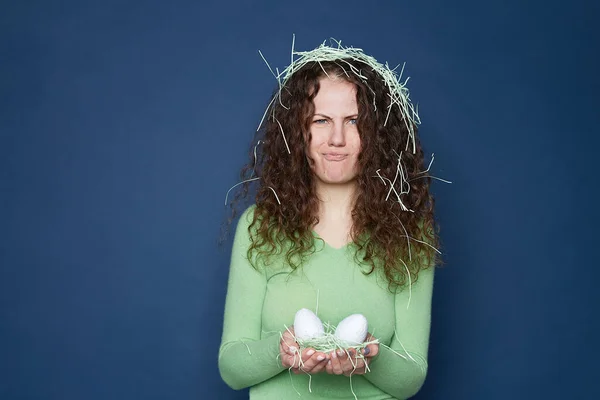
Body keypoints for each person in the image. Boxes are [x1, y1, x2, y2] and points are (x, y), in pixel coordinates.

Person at [218, 39, 442, 399]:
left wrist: (369, 357)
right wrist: (283, 351)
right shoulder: (259, 228)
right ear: (298, 133)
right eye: (321, 120)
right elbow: (232, 367)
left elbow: (411, 376)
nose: (336, 139)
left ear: (378, 134)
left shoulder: (410, 234)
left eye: (354, 121)